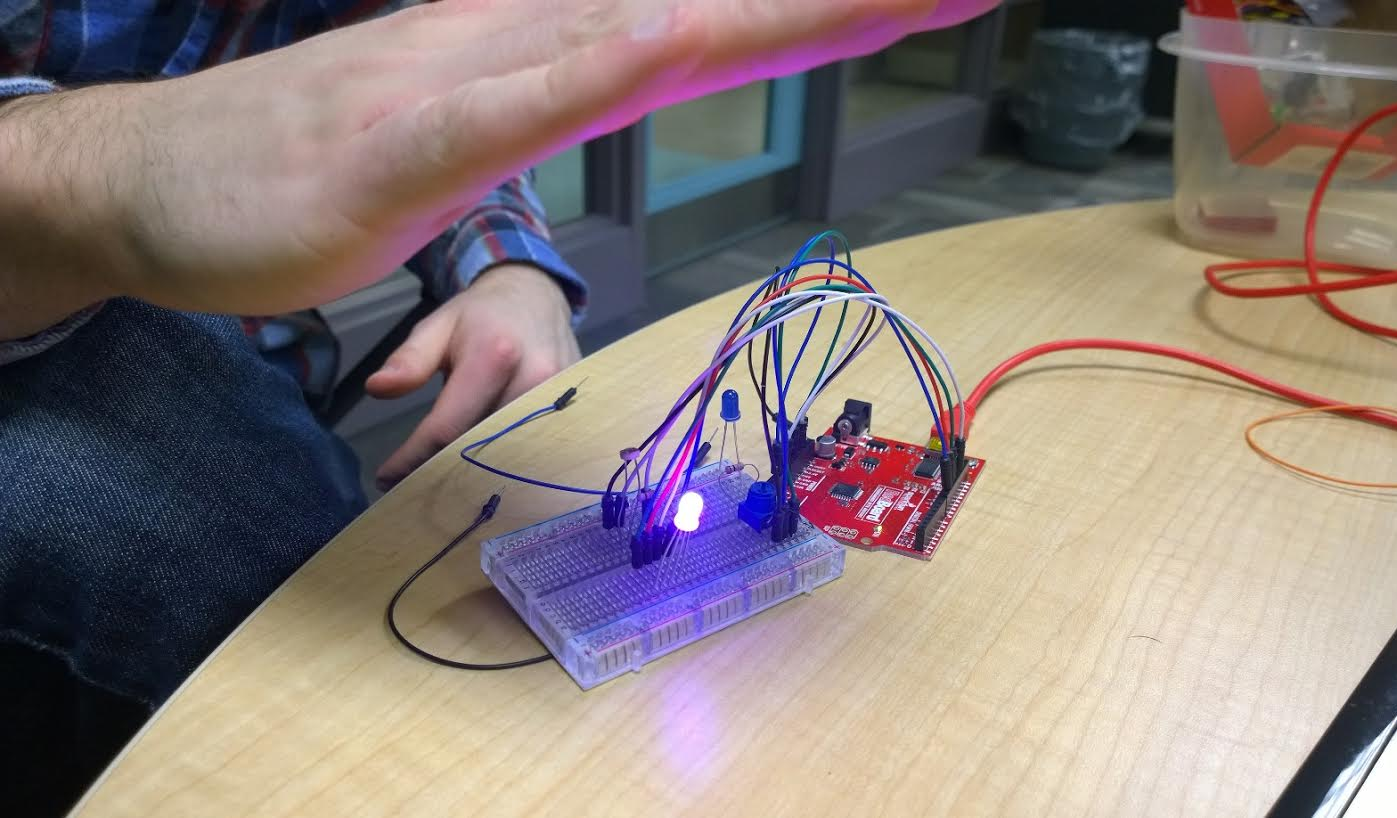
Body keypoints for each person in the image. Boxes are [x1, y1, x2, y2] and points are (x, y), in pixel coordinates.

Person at [0, 0, 993, 813]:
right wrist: (79, 178)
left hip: (271, 388)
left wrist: (508, 264)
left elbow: (420, 98)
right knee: (265, 625)